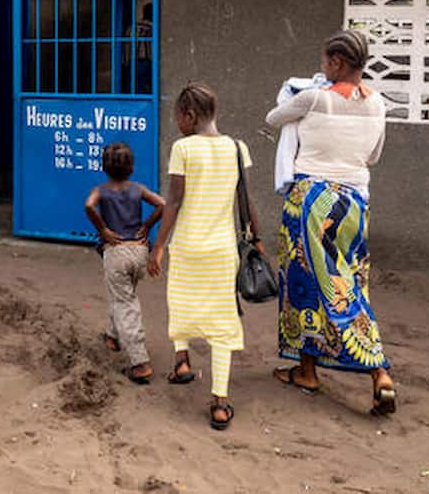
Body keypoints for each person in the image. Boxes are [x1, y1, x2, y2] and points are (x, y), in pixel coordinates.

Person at [264, 29, 396, 415]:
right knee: (349, 283)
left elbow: (273, 118)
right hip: (354, 204)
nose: (321, 69)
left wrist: (310, 92)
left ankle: (368, 368)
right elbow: (373, 156)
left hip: (311, 202)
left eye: (324, 63)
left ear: (336, 63)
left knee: (304, 287)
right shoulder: (377, 104)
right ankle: (365, 375)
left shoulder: (314, 98)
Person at [148, 83, 264, 430]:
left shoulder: (182, 148)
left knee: (181, 302)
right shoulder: (237, 147)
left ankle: (182, 361)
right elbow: (246, 199)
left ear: (189, 115)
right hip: (222, 251)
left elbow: (173, 201)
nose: (177, 124)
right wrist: (257, 239)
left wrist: (159, 246)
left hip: (187, 247)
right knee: (222, 322)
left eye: (177, 118)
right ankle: (220, 402)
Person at [84, 142, 165, 385]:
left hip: (117, 253)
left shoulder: (101, 190)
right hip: (139, 252)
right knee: (122, 294)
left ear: (103, 167)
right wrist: (147, 225)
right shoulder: (138, 189)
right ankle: (112, 336)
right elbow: (162, 204)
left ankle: (140, 363)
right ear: (132, 168)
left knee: (124, 302)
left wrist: (103, 229)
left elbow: (89, 205)